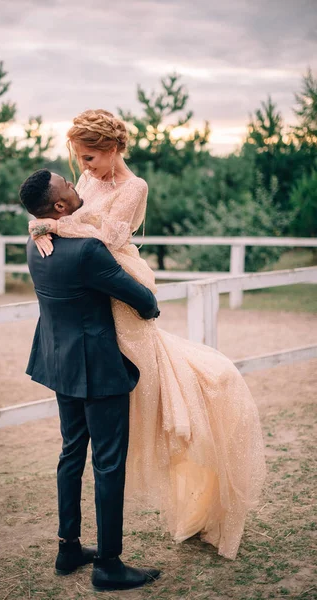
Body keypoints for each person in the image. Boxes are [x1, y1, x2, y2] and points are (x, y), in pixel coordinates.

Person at [27, 109, 267, 561]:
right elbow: (56, 211)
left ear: (115, 148)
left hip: (112, 273)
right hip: (92, 288)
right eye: (79, 158)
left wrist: (51, 226)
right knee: (92, 446)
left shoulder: (135, 187)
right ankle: (98, 556)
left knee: (97, 430)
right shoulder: (84, 185)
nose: (84, 168)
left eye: (92, 157)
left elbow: (109, 236)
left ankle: (78, 548)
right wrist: (40, 223)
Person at [20, 170, 161, 592]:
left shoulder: (36, 242)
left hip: (60, 364)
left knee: (70, 453)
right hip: (98, 370)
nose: (76, 186)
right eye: (67, 185)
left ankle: (68, 548)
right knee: (108, 462)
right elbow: (145, 301)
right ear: (60, 207)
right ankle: (109, 565)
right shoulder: (86, 252)